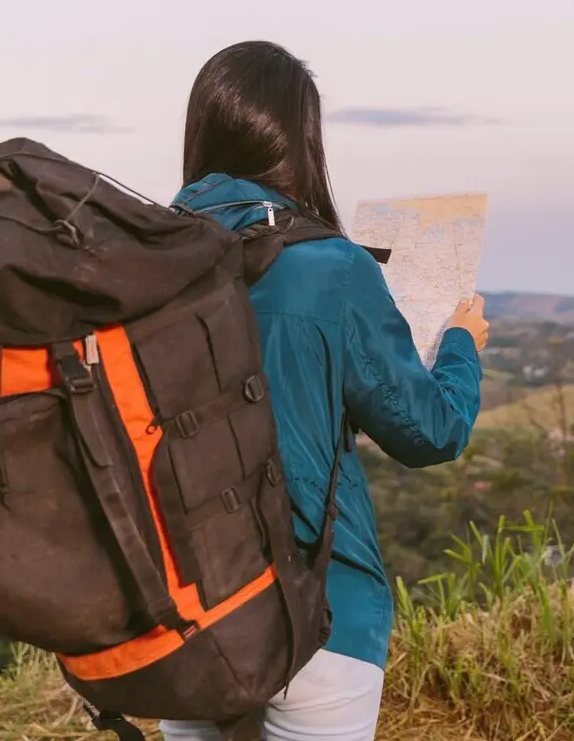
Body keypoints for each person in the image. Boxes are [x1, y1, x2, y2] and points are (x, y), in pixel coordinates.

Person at [158, 40, 488, 741]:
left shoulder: (146, 265)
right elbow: (431, 432)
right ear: (300, 141)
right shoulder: (332, 268)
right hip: (319, 611)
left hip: (186, 612)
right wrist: (460, 346)